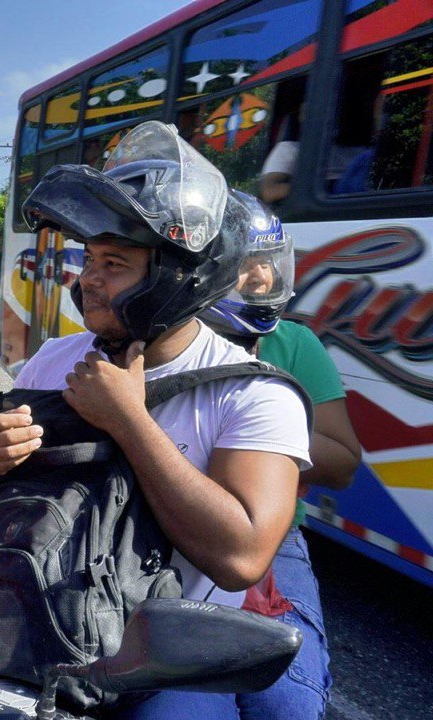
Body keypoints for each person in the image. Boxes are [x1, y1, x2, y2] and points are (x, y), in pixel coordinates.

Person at [0, 121, 311, 719]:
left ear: (179, 278)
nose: (88, 280)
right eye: (90, 259)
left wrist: (129, 420)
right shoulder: (53, 359)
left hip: (164, 664)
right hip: (42, 630)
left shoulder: (254, 394)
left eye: (115, 263)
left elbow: (242, 558)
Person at [199, 194, 361, 720]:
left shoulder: (292, 343)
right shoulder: (168, 338)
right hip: (171, 530)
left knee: (288, 704)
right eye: (247, 263)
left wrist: (260, 414)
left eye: (269, 262)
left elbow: (342, 463)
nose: (263, 277)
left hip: (273, 537)